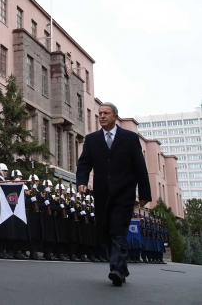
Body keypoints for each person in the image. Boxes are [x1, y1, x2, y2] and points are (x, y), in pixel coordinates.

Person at [77, 102, 151, 286]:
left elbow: (140, 167)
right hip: (102, 194)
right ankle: (122, 266)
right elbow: (84, 164)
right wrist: (82, 183)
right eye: (100, 113)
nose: (102, 116)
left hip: (124, 194)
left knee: (118, 230)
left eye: (106, 113)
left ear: (115, 117)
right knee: (107, 231)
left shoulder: (130, 138)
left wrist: (144, 193)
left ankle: (116, 268)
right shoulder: (92, 139)